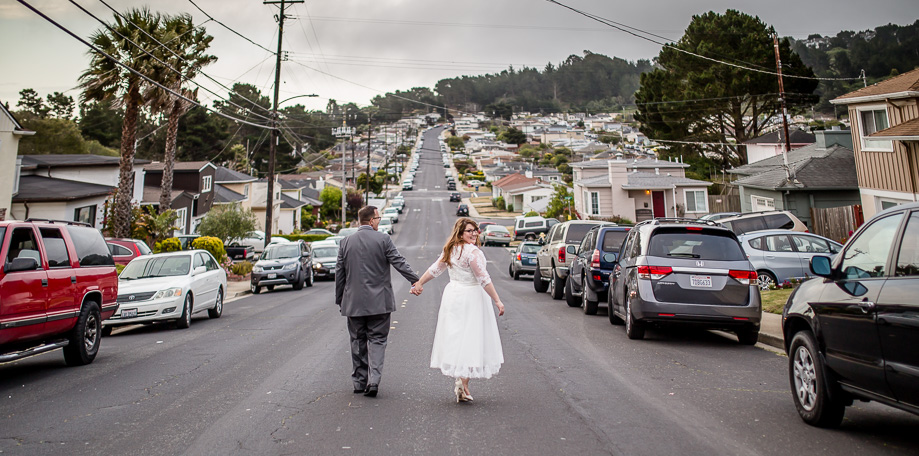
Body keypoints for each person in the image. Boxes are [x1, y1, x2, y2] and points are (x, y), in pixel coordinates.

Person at [411, 218, 505, 403]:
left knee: (458, 337)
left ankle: (462, 381)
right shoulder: (472, 252)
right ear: (460, 232)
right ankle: (463, 383)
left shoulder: (451, 249)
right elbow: (483, 279)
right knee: (469, 338)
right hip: (470, 297)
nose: (474, 234)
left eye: (475, 231)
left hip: (453, 296)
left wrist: (420, 283)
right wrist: (497, 300)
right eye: (469, 231)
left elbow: (435, 269)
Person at [336, 205, 420, 397]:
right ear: (372, 220)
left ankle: (359, 382)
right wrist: (415, 280)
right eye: (378, 218)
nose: (379, 221)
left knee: (357, 340)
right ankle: (374, 381)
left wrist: (340, 298)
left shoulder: (345, 242)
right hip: (380, 303)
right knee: (378, 340)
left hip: (353, 303)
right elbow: (398, 261)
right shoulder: (383, 239)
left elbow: (339, 274)